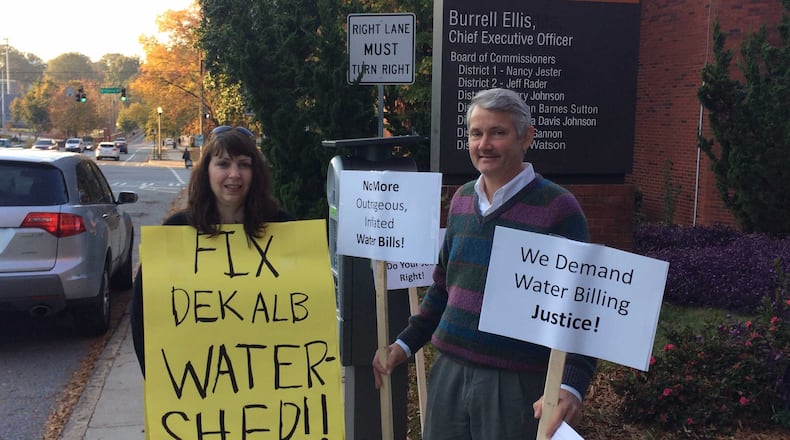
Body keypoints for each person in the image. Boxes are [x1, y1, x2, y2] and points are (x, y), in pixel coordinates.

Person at [372, 88, 597, 439]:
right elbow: (444, 288)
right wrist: (403, 345)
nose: (484, 144)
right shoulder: (461, 200)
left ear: (527, 137)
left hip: (514, 385)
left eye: (498, 132)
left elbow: (581, 308)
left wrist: (572, 384)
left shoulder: (558, 208)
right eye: (476, 133)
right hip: (449, 373)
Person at [130, 125, 294, 376]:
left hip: (271, 380)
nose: (234, 174)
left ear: (256, 172)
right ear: (206, 170)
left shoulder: (284, 229)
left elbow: (313, 307)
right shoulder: (177, 231)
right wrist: (158, 378)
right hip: (198, 385)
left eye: (244, 164)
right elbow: (143, 314)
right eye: (223, 164)